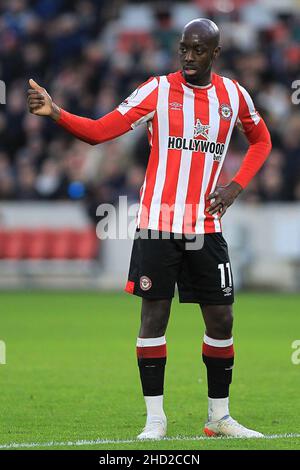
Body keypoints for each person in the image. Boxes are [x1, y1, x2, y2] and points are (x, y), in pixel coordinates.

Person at [27, 18, 272, 439]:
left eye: (198, 50)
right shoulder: (157, 90)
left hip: (205, 226)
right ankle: (155, 419)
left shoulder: (234, 95)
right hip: (158, 224)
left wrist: (235, 186)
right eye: (183, 49)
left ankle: (219, 416)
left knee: (222, 319)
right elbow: (101, 132)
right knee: (154, 317)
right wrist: (57, 113)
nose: (188, 57)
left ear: (215, 53)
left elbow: (262, 140)